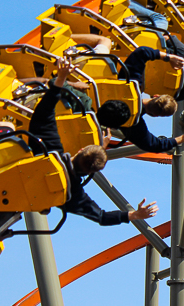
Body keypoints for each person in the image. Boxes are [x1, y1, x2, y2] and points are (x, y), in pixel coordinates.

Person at [28, 57, 157, 225]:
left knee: (6, 127)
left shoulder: (49, 148)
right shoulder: (72, 194)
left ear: (81, 150)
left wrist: (61, 78)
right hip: (17, 198)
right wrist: (134, 215)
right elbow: (101, 217)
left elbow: (44, 114)